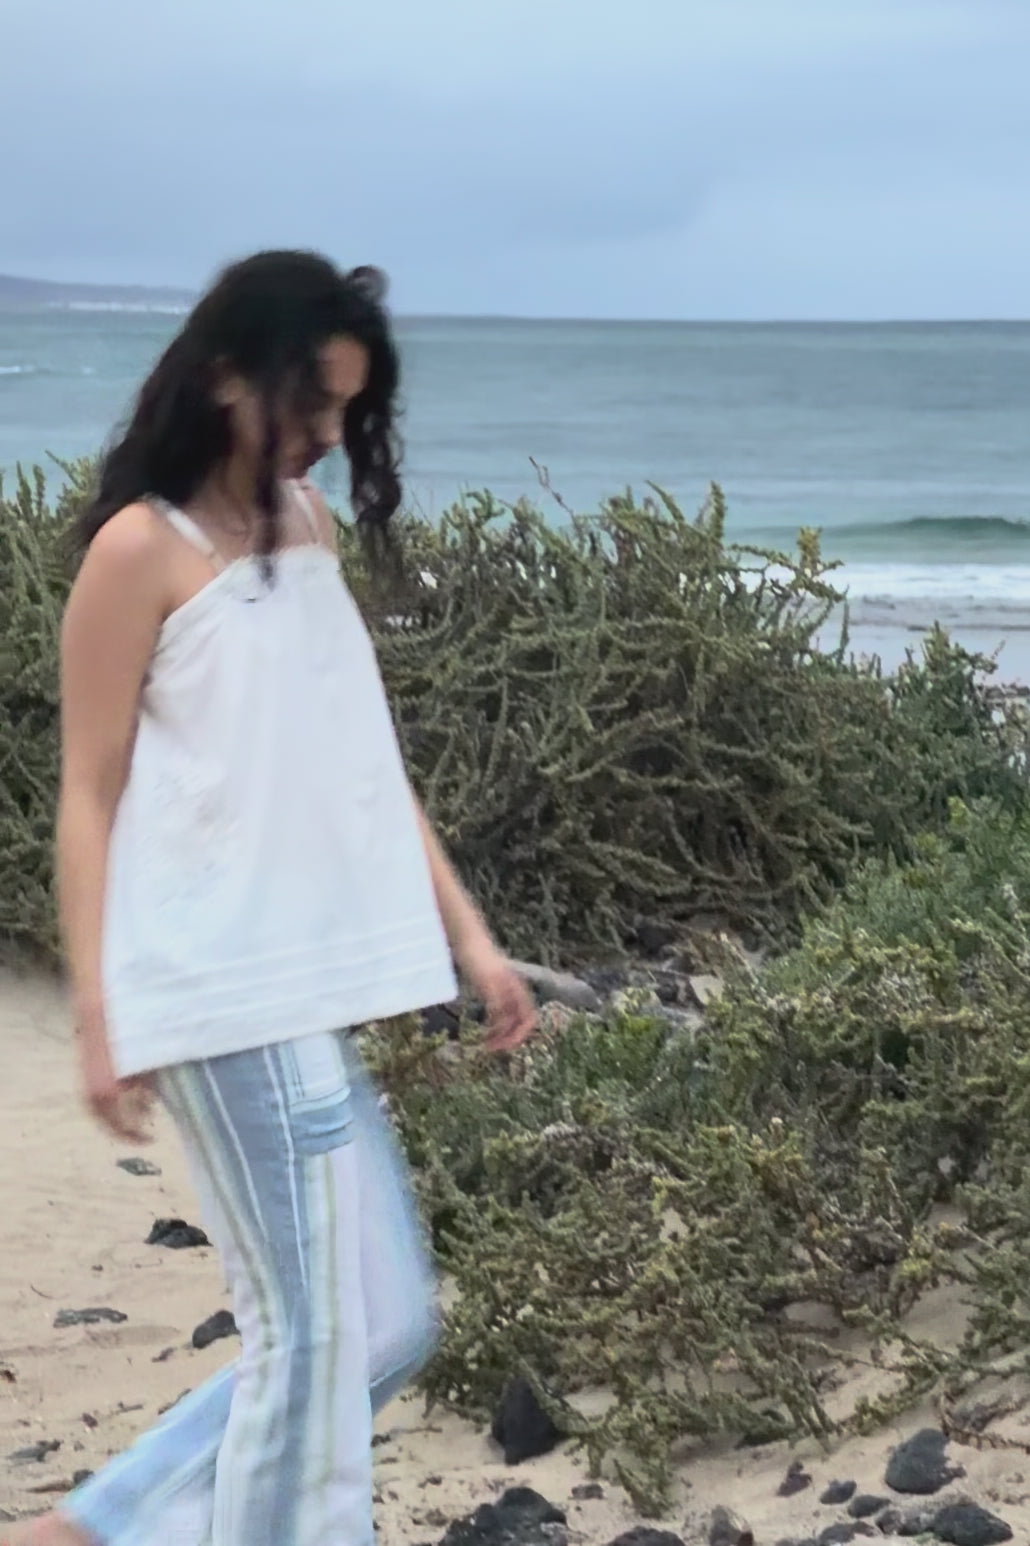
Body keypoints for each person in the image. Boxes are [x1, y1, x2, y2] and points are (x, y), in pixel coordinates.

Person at [6, 251, 536, 1546]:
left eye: (349, 408)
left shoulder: (306, 529)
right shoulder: (141, 551)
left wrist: (470, 937)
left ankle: (95, 1527)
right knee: (307, 1341)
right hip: (213, 980)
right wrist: (98, 1014)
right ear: (226, 377)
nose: (330, 436)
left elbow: (362, 762)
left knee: (385, 1326)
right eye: (313, 402)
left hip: (303, 980)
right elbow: (87, 794)